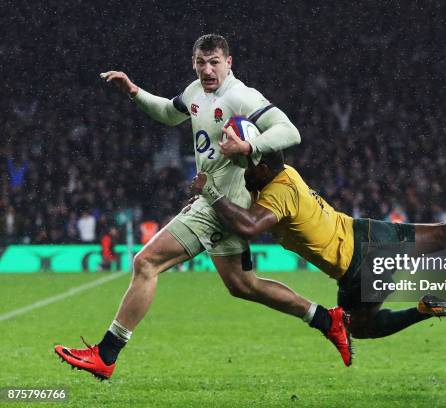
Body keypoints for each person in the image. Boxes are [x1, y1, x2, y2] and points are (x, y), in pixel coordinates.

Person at [55, 34, 334, 380]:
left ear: (229, 62)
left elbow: (289, 131)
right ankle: (325, 318)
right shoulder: (195, 92)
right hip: (217, 202)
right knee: (243, 286)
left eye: (215, 62)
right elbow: (169, 114)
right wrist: (133, 91)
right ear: (193, 64)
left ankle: (106, 354)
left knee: (146, 262)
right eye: (201, 63)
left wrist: (250, 147)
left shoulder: (240, 95)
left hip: (220, 203)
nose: (207, 69)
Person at [192, 150, 446, 361]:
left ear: (265, 170)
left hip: (358, 265)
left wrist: (210, 192)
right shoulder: (287, 174)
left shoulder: (276, 195)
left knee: (358, 328)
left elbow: (251, 227)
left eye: (247, 166)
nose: (243, 170)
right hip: (367, 230)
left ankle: (424, 309)